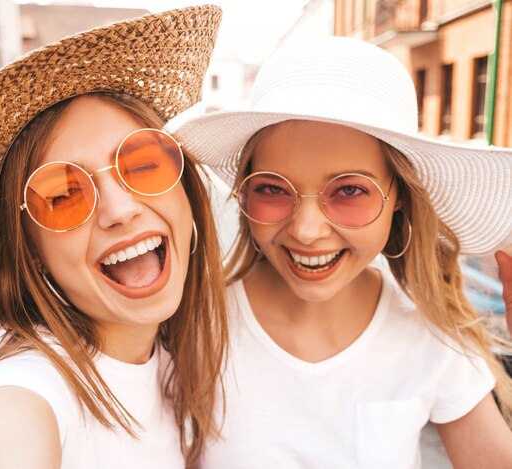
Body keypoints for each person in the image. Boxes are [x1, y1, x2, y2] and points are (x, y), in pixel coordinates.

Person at [0, 6, 228, 469]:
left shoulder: (173, 359)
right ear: (30, 250)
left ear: (187, 188)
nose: (120, 210)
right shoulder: (19, 397)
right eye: (63, 194)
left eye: (143, 163)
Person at [174, 37, 512, 468]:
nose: (307, 231)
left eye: (350, 190)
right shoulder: (197, 325)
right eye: (273, 189)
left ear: (400, 198)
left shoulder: (428, 335)